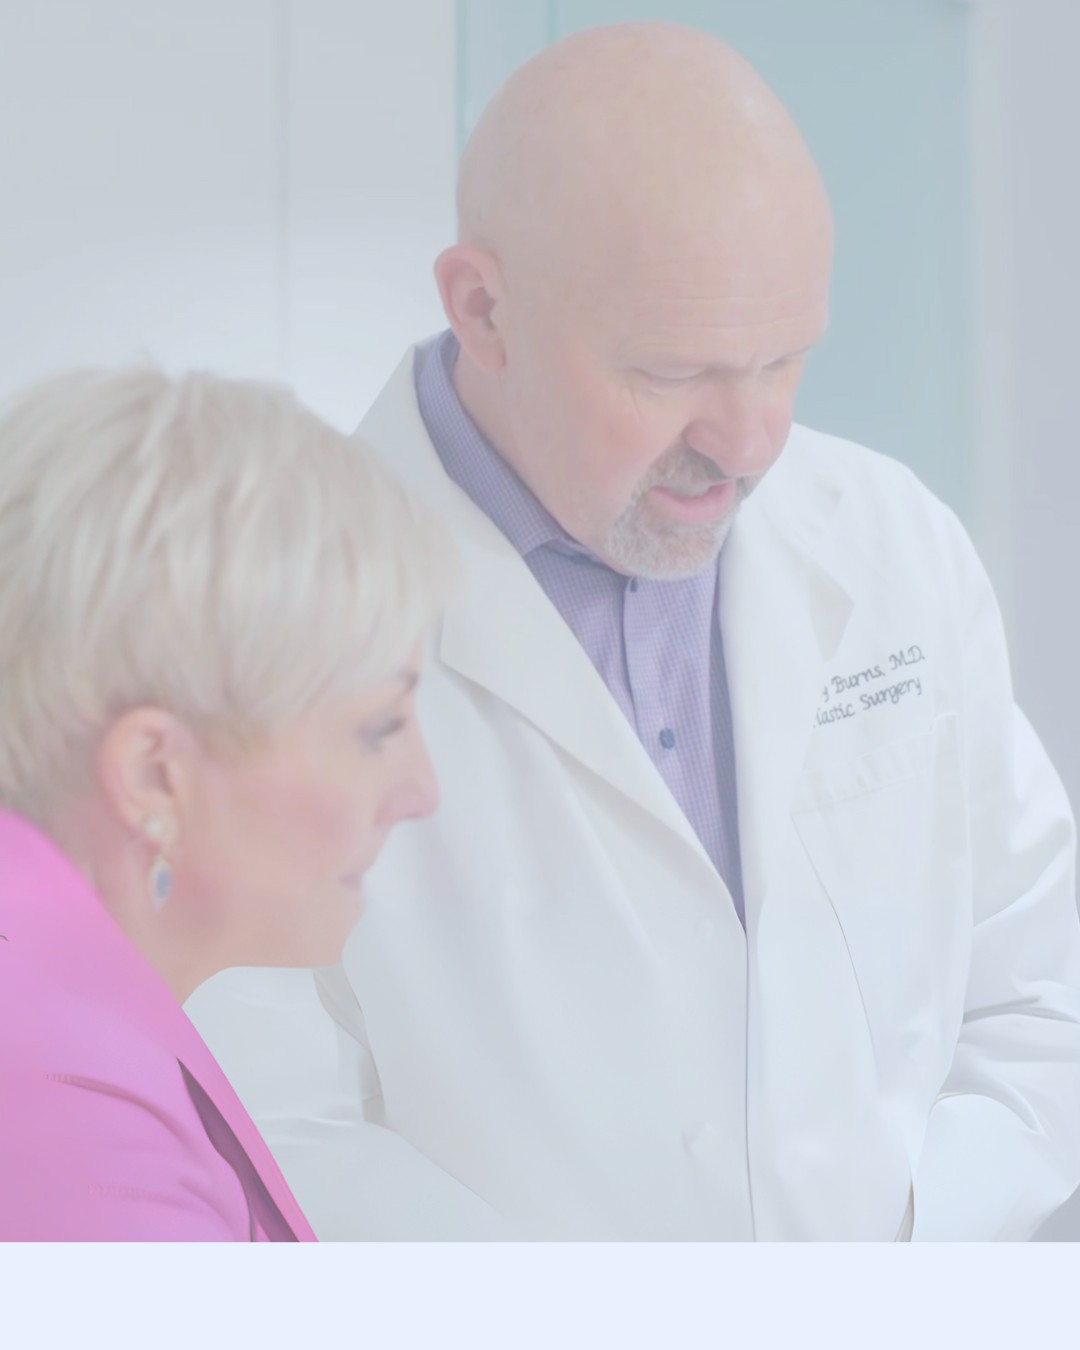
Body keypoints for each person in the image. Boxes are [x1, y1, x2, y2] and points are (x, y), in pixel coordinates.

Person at [189, 22, 1080, 1240]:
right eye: (670, 374)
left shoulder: (890, 539)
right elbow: (269, 1121)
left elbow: (1039, 989)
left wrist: (914, 1255)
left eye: (785, 361)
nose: (749, 442)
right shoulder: (247, 619)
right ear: (483, 307)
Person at [0, 365, 447, 1240]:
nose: (419, 792)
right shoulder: (64, 1110)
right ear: (155, 776)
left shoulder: (66, 1012)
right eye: (376, 729)